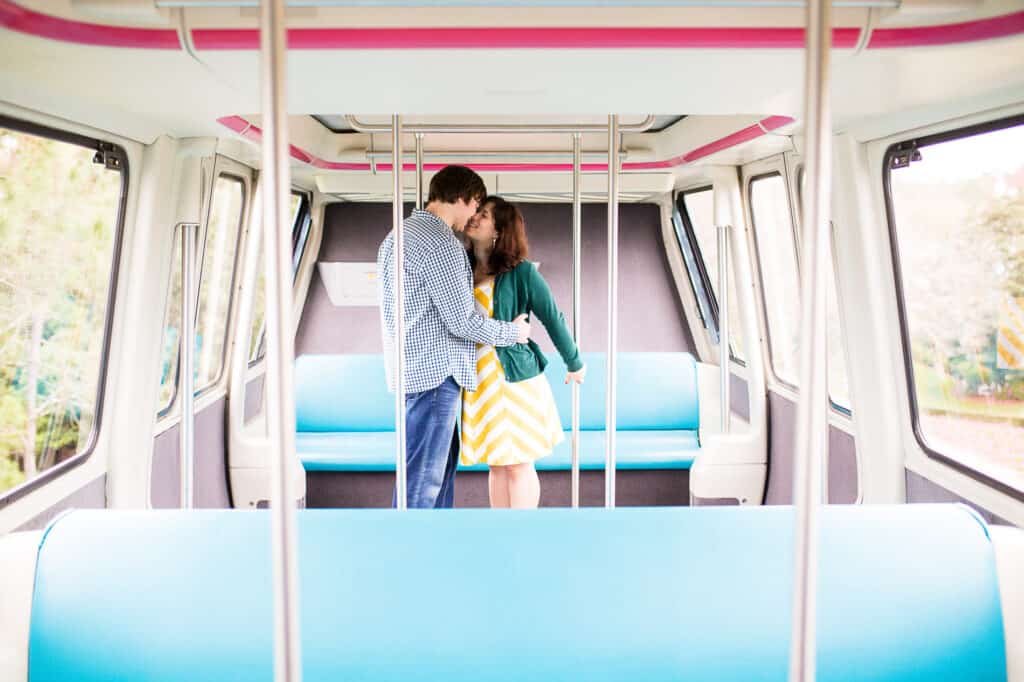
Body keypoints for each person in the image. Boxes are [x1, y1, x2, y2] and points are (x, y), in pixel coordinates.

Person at [377, 166, 530, 509]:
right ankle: (411, 558)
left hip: (411, 369)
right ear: (464, 198)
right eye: (476, 208)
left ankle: (431, 551)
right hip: (436, 374)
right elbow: (462, 321)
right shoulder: (441, 243)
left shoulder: (397, 236)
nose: (474, 217)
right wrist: (512, 333)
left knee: (429, 473)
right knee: (425, 483)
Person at [460, 196, 586, 508]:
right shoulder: (462, 269)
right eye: (477, 212)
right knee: (497, 461)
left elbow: (552, 316)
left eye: (484, 215)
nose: (475, 218)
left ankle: (524, 531)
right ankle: (503, 534)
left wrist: (574, 362)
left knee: (518, 462)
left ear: (499, 231)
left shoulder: (522, 273)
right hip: (478, 379)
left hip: (515, 378)